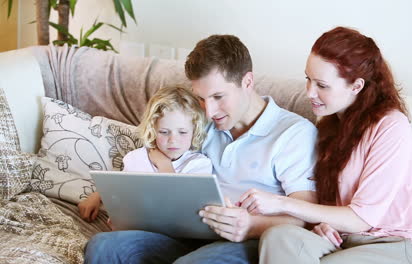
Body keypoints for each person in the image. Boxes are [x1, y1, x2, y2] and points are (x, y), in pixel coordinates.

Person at [84, 34, 317, 264]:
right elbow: (156, 159)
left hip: (246, 241)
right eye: (202, 99)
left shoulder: (293, 133)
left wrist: (250, 226)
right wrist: (127, 211)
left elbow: (304, 216)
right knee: (104, 246)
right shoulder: (199, 122)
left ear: (247, 82)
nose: (209, 111)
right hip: (186, 233)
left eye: (218, 96)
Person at [239, 27, 412, 264]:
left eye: (322, 85)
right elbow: (329, 204)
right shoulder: (328, 125)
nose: (309, 92)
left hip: (394, 244)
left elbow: (361, 218)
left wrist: (281, 203)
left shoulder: (392, 128)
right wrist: (322, 225)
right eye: (308, 79)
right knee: (278, 237)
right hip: (345, 241)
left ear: (356, 86)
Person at [78, 86, 212, 222]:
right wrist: (97, 196)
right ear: (152, 129)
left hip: (176, 230)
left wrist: (164, 165)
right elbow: (121, 187)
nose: (173, 140)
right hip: (139, 228)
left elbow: (181, 206)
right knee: (101, 242)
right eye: (164, 132)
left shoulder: (199, 165)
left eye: (182, 132)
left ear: (194, 131)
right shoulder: (136, 158)